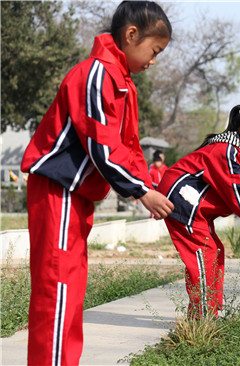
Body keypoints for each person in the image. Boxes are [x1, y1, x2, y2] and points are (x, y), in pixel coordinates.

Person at [20, 2, 174, 364]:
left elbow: (130, 148)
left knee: (70, 291)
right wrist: (140, 190)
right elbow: (101, 144)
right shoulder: (96, 74)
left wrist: (153, 188)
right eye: (154, 51)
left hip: (79, 197)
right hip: (58, 190)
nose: (154, 61)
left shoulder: (122, 82)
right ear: (131, 35)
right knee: (56, 288)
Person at [158, 105, 240, 317]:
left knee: (215, 250)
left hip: (191, 204)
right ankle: (201, 319)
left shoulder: (236, 154)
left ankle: (211, 311)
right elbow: (239, 194)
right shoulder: (227, 151)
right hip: (182, 200)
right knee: (203, 253)